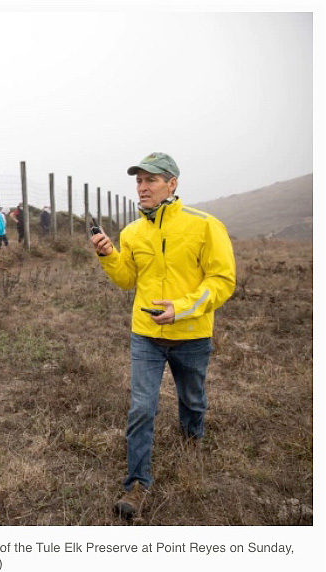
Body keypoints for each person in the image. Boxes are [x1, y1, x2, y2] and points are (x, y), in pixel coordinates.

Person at [90, 152, 236, 520]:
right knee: (142, 407)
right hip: (146, 335)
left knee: (193, 399)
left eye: (150, 180)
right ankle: (136, 485)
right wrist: (109, 255)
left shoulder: (205, 225)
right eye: (138, 181)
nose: (142, 188)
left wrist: (182, 308)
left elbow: (222, 281)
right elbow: (127, 279)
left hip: (192, 334)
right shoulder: (132, 232)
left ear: (172, 183)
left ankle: (192, 441)